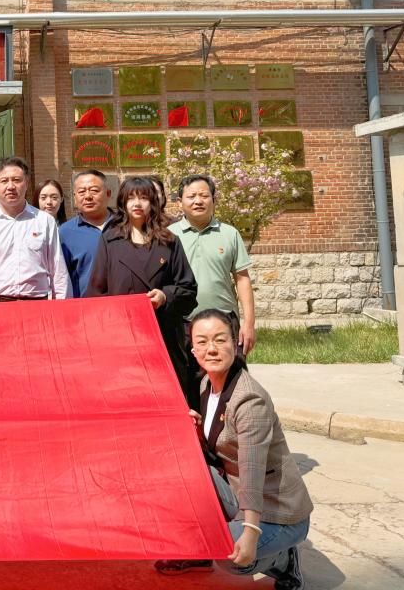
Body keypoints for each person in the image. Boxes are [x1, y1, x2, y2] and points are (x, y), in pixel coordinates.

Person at [155, 309, 312, 588]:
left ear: (235, 343)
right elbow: (220, 451)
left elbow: (252, 471)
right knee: (181, 468)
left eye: (220, 339)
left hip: (279, 511)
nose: (211, 349)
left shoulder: (249, 400)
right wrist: (198, 431)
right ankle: (201, 553)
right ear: (193, 350)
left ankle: (283, 560)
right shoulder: (207, 383)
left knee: (230, 555)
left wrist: (250, 532)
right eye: (202, 342)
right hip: (238, 492)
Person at [84, 176, 198, 405]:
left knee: (165, 399)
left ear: (153, 202)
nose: (137, 203)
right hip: (121, 338)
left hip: (163, 336)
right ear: (123, 203)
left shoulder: (170, 241)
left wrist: (165, 296)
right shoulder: (110, 240)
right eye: (131, 198)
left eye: (144, 198)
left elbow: (188, 289)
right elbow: (96, 293)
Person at [169, 174, 256, 355]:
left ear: (214, 200)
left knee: (229, 371)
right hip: (182, 323)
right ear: (179, 202)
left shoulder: (230, 234)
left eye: (204, 195)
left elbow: (242, 279)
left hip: (224, 320)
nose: (198, 201)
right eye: (191, 196)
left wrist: (249, 324)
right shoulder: (168, 235)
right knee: (184, 373)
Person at [0, 157, 69, 302]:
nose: (11, 186)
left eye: (17, 180)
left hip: (37, 304)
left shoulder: (44, 221)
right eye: (4, 181)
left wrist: (62, 307)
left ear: (27, 184)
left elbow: (58, 271)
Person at [59, 170, 114, 299]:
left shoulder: (125, 226)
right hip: (84, 306)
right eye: (81, 192)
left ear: (108, 193)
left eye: (94, 190)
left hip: (124, 304)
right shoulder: (65, 232)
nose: (88, 196)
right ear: (75, 197)